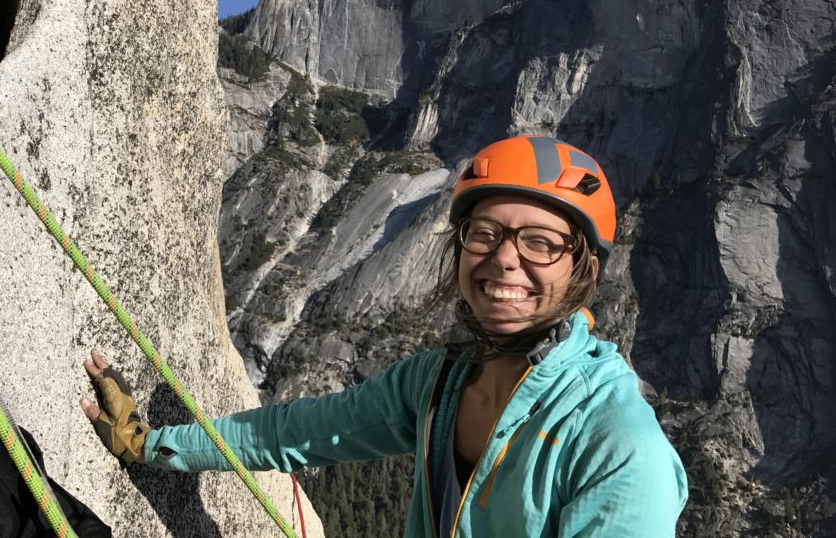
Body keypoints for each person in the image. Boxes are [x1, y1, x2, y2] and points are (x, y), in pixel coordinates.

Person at [80, 135, 688, 536]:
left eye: (540, 242)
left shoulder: (619, 445)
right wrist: (154, 445)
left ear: (582, 268)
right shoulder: (439, 383)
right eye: (485, 234)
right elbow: (296, 432)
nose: (505, 260)